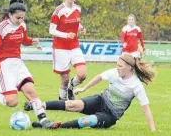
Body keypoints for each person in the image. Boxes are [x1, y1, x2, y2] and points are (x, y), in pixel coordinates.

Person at [0, 0, 61, 129]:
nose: (20, 20)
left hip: (18, 63)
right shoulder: (2, 27)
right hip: (4, 65)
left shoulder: (22, 25)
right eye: (18, 18)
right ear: (10, 15)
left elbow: (24, 40)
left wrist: (32, 41)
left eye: (22, 18)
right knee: (12, 102)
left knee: (31, 92)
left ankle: (45, 121)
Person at [25, 54, 156, 131]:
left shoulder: (136, 86)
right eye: (117, 64)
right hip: (100, 101)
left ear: (130, 68)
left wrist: (153, 130)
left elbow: (146, 109)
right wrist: (84, 88)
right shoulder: (114, 73)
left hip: (110, 115)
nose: (117, 68)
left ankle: (54, 127)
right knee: (71, 104)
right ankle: (37, 105)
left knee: (85, 121)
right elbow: (99, 77)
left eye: (120, 66)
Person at [49, 0, 87, 101]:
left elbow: (75, 23)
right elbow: (51, 30)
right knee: (64, 79)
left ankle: (71, 87)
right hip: (60, 48)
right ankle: (62, 100)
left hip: (74, 46)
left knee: (82, 75)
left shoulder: (78, 8)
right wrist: (66, 35)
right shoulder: (59, 10)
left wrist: (81, 28)